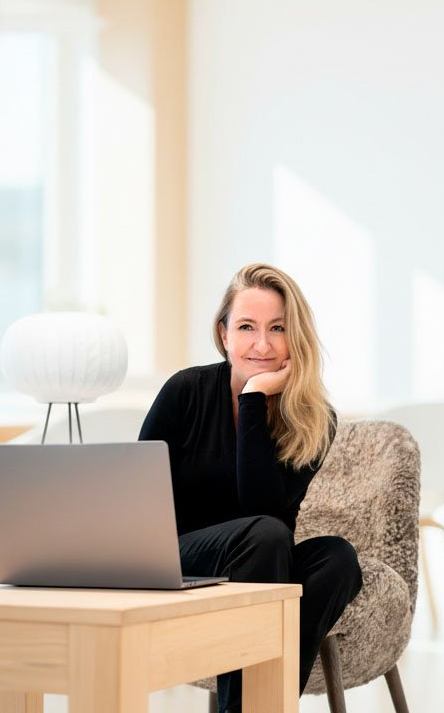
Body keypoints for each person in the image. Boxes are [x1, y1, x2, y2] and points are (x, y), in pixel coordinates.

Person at [139, 263, 362, 713]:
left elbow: (264, 508)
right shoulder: (185, 391)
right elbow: (136, 499)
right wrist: (255, 393)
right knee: (265, 535)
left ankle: (251, 706)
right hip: (175, 555)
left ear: (294, 338)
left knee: (337, 559)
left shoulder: (315, 421)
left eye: (277, 328)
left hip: (262, 558)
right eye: (246, 327)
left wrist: (254, 398)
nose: (262, 343)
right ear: (224, 335)